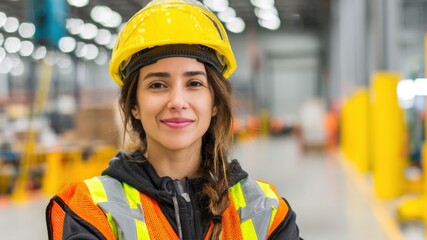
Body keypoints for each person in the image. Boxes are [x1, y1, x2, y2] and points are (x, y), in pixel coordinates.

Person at [46, 0, 301, 239]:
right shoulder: (91, 211)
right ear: (133, 105)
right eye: (157, 85)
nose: (177, 101)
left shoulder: (265, 212)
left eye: (194, 83)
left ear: (214, 103)